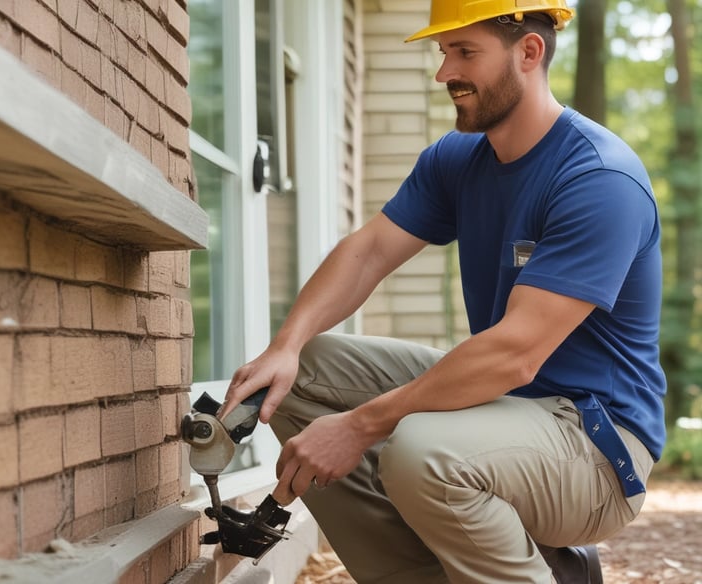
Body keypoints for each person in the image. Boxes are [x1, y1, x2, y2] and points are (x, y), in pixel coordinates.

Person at [219, 1, 666, 582]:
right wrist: (286, 344)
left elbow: (514, 354)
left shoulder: (598, 180)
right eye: (443, 52)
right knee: (306, 370)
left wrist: (357, 427)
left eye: (465, 52)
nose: (444, 73)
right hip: (510, 409)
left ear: (528, 52)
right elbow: (369, 252)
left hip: (597, 447)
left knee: (422, 453)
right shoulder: (459, 159)